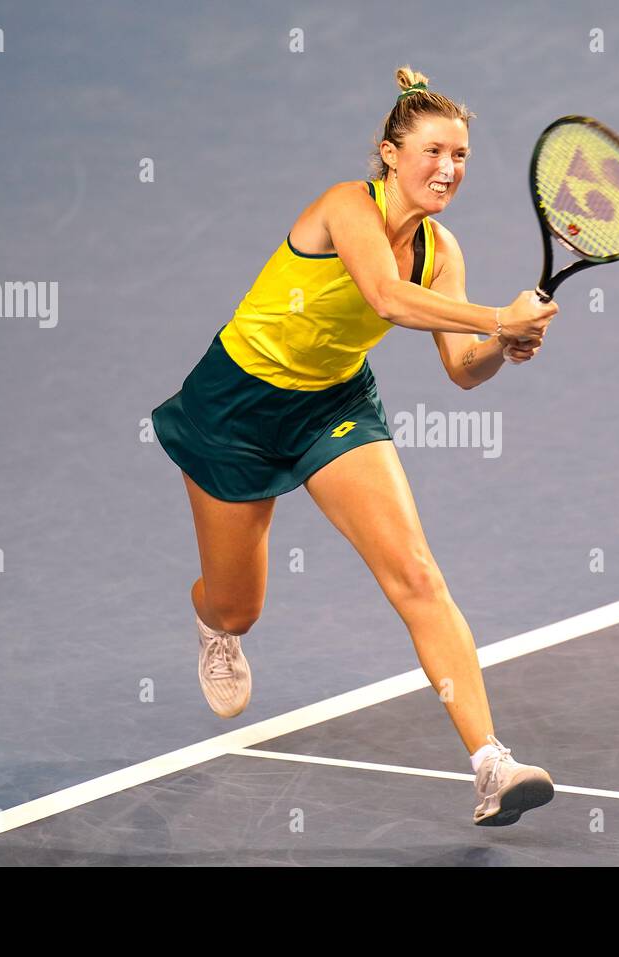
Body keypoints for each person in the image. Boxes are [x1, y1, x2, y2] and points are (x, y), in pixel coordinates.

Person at [150, 65, 558, 826]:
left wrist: (503, 343)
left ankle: (491, 763)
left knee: (415, 572)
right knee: (240, 604)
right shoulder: (345, 205)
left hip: (333, 407)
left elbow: (463, 369)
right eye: (435, 151)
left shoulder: (441, 250)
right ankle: (213, 623)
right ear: (391, 152)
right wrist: (498, 318)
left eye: (462, 156)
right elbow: (385, 297)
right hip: (234, 406)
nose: (449, 169)